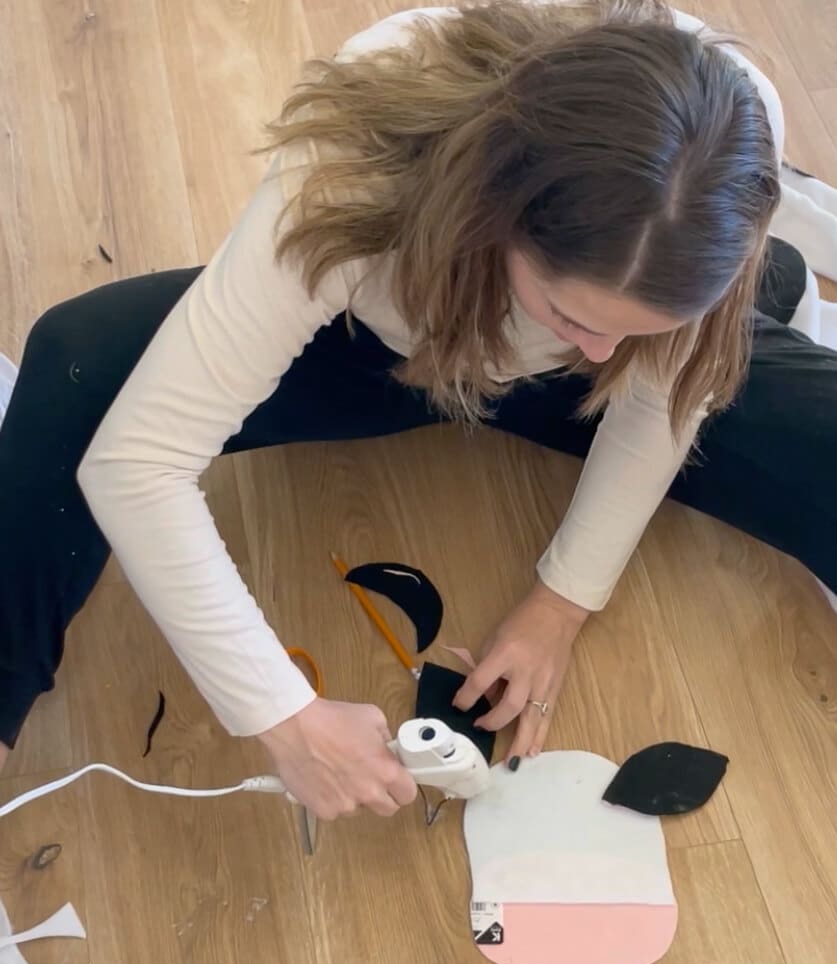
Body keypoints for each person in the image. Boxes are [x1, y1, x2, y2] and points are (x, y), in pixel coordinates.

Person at [0, 1, 834, 821]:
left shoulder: (732, 142)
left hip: (584, 348)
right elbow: (140, 462)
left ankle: (732, 291)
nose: (600, 353)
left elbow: (655, 388)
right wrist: (281, 715)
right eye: (574, 315)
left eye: (638, 325)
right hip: (386, 339)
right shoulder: (356, 160)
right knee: (81, 360)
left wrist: (562, 602)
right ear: (496, 211)